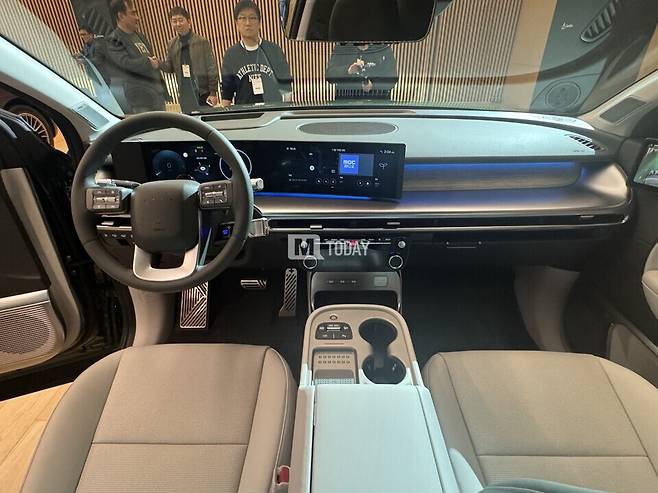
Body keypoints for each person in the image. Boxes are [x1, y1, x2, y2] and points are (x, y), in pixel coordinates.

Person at [220, 0, 292, 106]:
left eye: (252, 18)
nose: (247, 23)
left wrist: (284, 111)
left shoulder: (273, 50)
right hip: (245, 112)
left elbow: (286, 88)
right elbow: (227, 95)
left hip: (273, 109)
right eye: (242, 18)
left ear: (259, 23)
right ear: (236, 23)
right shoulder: (231, 54)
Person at [105, 0, 170, 113]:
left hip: (157, 94)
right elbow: (124, 64)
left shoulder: (140, 36)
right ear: (121, 16)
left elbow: (151, 59)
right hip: (141, 99)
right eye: (133, 13)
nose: (138, 17)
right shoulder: (114, 39)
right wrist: (148, 62)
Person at [160, 6, 219, 113]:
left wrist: (213, 92)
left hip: (203, 92)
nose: (178, 24)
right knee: (189, 121)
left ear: (189, 21)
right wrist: (158, 64)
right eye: (174, 21)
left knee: (206, 119)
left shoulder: (201, 41)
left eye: (180, 20)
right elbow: (169, 68)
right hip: (184, 93)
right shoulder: (171, 44)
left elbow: (211, 68)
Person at [326, 44, 398, 100]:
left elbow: (392, 78)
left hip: (377, 103)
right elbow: (330, 75)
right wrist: (348, 70)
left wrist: (373, 85)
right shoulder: (342, 47)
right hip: (347, 103)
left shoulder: (382, 48)